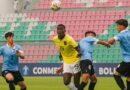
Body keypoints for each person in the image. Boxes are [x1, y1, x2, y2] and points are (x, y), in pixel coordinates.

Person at [53, 24, 81, 90]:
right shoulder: (55, 39)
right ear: (57, 31)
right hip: (66, 62)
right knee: (66, 81)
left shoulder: (69, 39)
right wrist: (60, 55)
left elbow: (78, 48)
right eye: (58, 29)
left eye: (61, 29)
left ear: (64, 30)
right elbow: (60, 48)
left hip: (75, 60)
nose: (60, 30)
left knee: (76, 83)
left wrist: (79, 53)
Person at [108, 19, 130, 90]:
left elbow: (111, 41)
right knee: (129, 78)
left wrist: (110, 41)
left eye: (117, 26)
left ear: (121, 26)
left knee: (116, 74)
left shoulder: (121, 35)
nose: (116, 27)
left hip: (127, 60)